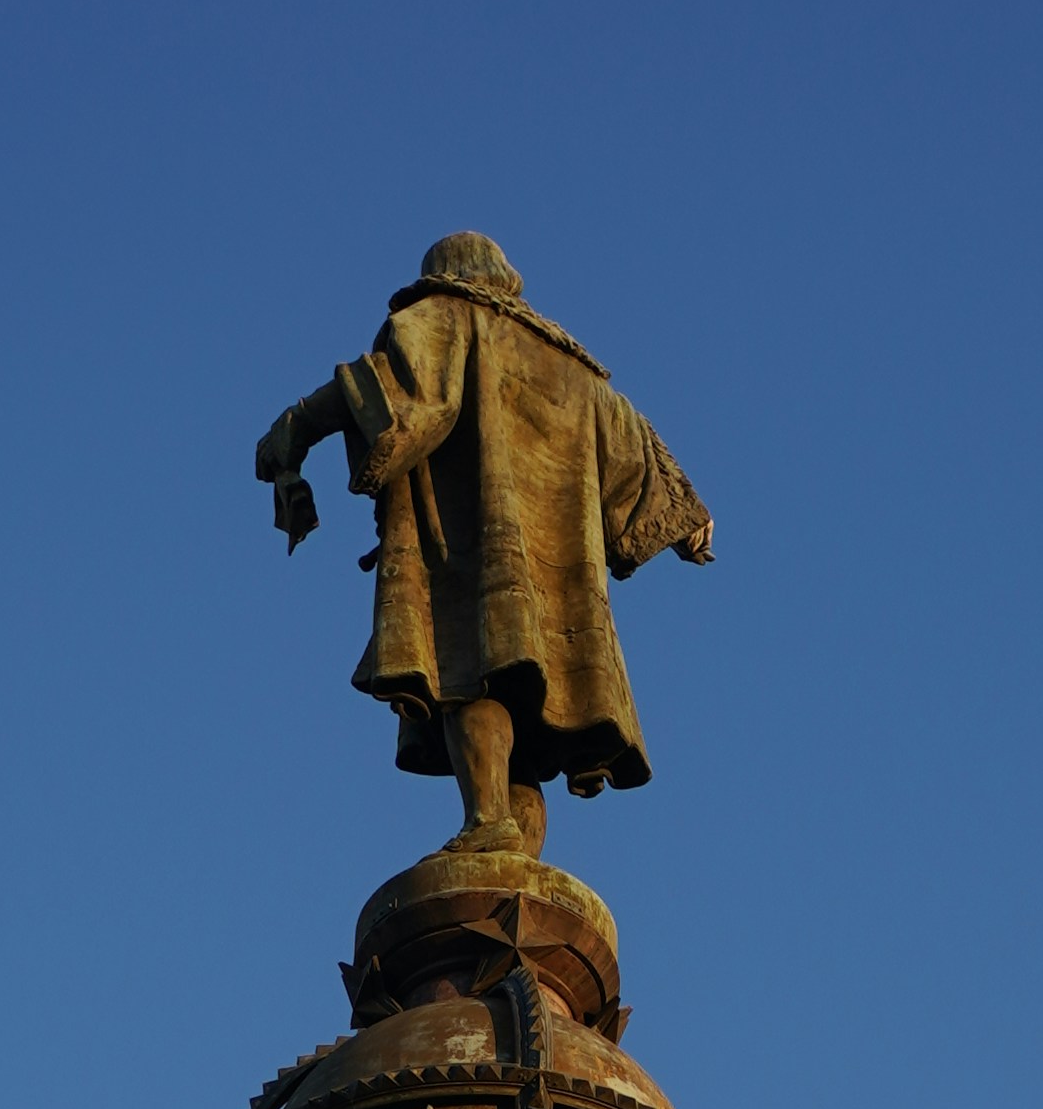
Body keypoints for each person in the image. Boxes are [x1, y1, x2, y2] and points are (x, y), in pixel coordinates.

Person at [256, 237, 711, 841]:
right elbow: (638, 454)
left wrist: (294, 429)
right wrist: (689, 518)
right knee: (524, 735)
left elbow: (389, 391)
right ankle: (509, 849)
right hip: (558, 586)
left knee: (464, 672)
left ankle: (488, 822)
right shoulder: (574, 370)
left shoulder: (443, 317)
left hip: (466, 550)